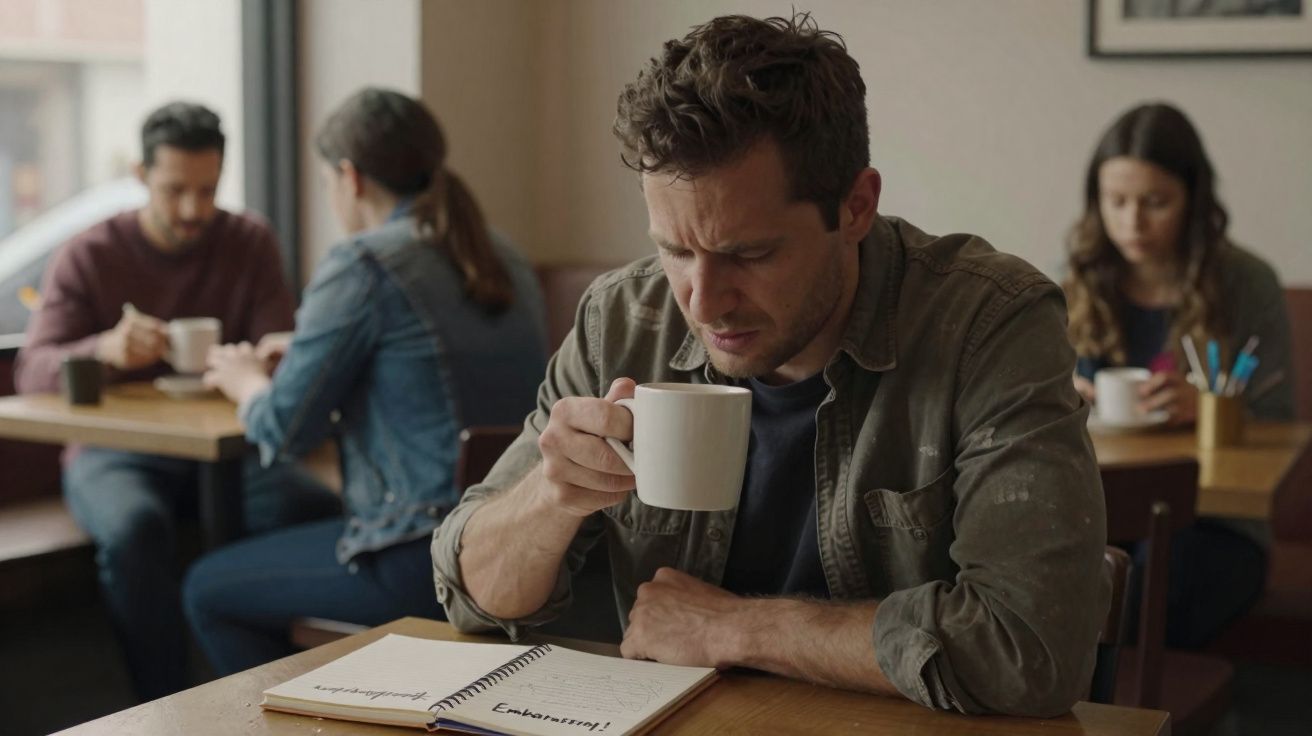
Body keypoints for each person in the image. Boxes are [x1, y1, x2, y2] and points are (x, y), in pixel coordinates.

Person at [432, 14, 1107, 718]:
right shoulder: (625, 320)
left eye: (749, 254)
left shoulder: (987, 324)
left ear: (856, 207)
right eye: (675, 250)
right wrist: (551, 497)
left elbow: (1034, 648)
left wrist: (735, 628)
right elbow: (470, 596)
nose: (703, 301)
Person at [182, 88, 549, 675]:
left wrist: (244, 380)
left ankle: (299, 711)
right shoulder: (499, 250)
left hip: (421, 556)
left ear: (349, 177)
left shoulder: (364, 263)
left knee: (207, 588)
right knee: (278, 514)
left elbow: (283, 429)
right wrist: (306, 350)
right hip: (517, 542)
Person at [13, 102, 338, 701]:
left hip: (229, 451)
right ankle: (163, 707)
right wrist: (106, 349)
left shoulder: (248, 241)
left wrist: (263, 359)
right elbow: (31, 371)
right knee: (134, 530)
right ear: (141, 175)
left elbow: (281, 351)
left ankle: (276, 694)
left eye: (207, 191)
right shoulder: (91, 252)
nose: (193, 210)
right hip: (114, 451)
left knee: (309, 508)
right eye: (175, 191)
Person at [1063, 102, 1294, 647]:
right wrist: (1059, 398)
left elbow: (1280, 421)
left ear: (1193, 199)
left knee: (1150, 577)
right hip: (1101, 509)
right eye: (1116, 201)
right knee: (1067, 567)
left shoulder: (1246, 283)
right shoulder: (1079, 279)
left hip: (1212, 524)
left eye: (1156, 202)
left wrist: (1211, 409)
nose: (1132, 223)